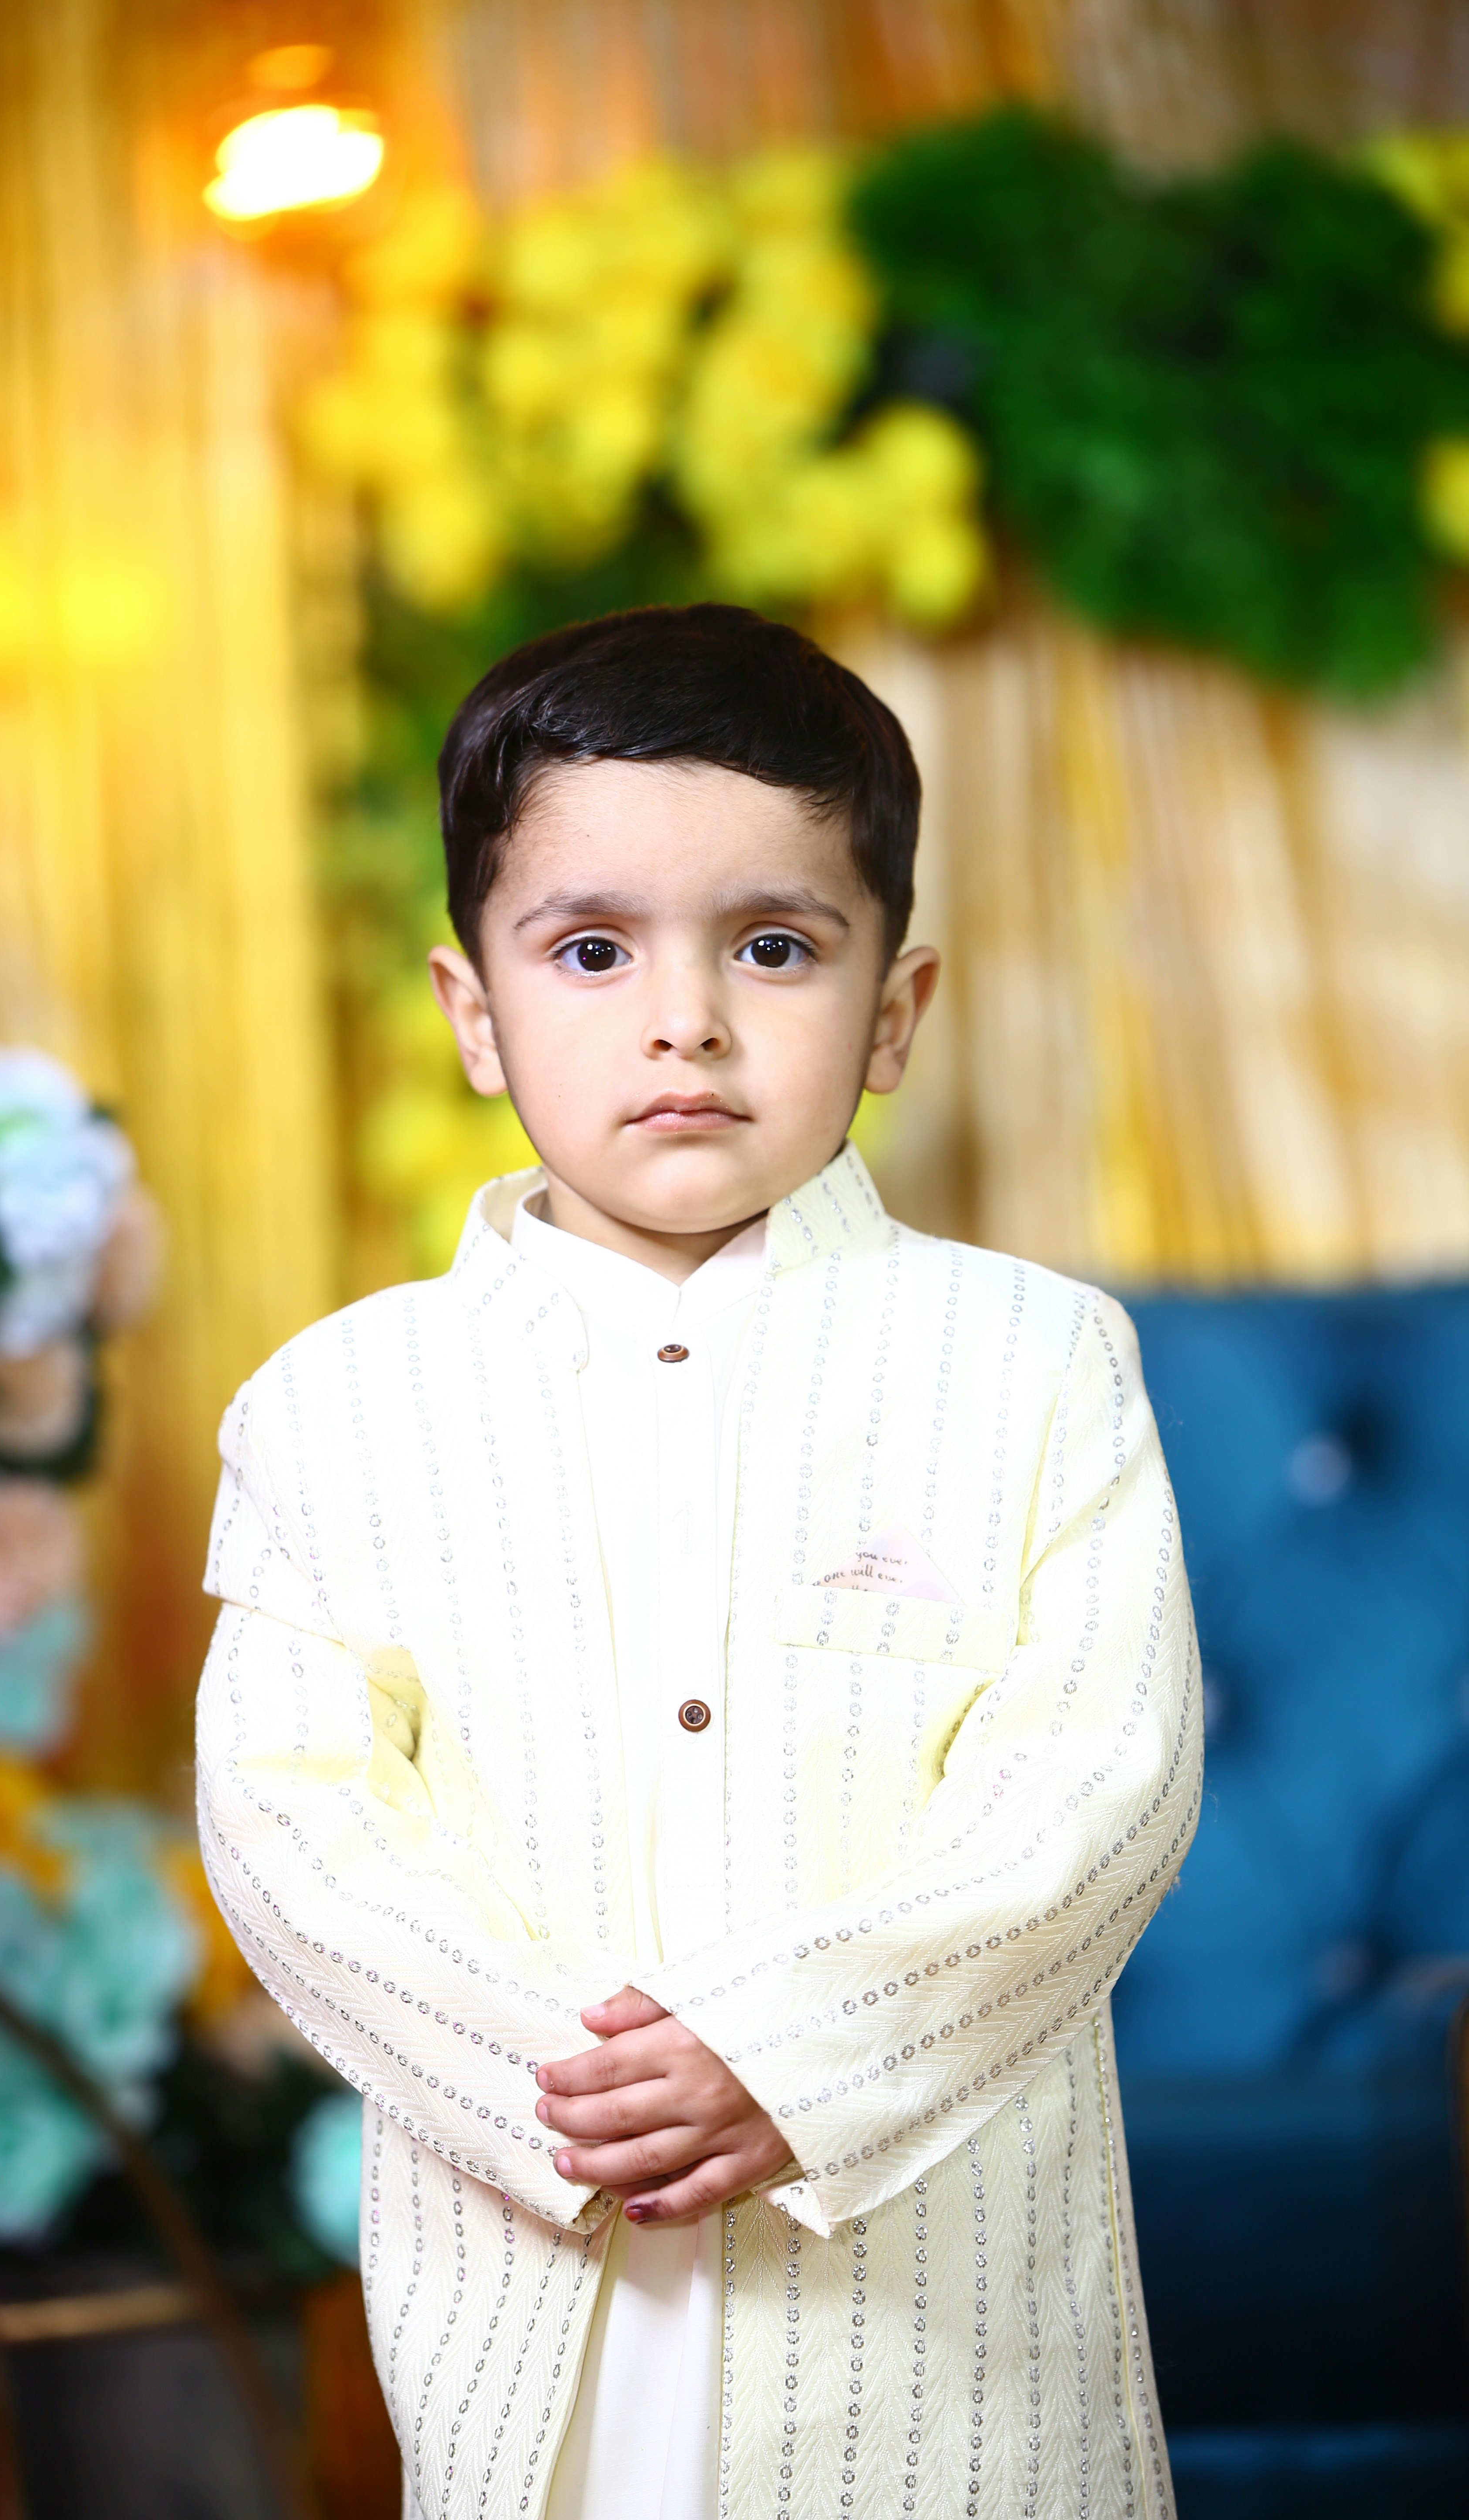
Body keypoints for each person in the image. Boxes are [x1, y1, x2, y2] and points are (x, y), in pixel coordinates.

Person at [196, 603, 1202, 2520]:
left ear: (895, 1010)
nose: (688, 1020)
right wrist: (555, 2090)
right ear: (474, 1011)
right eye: (590, 951)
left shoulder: (1032, 1363)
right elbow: (291, 1819)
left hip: (940, 2338)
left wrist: (787, 2055)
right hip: (530, 2279)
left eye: (773, 945)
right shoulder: (334, 1410)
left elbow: (1095, 1783)